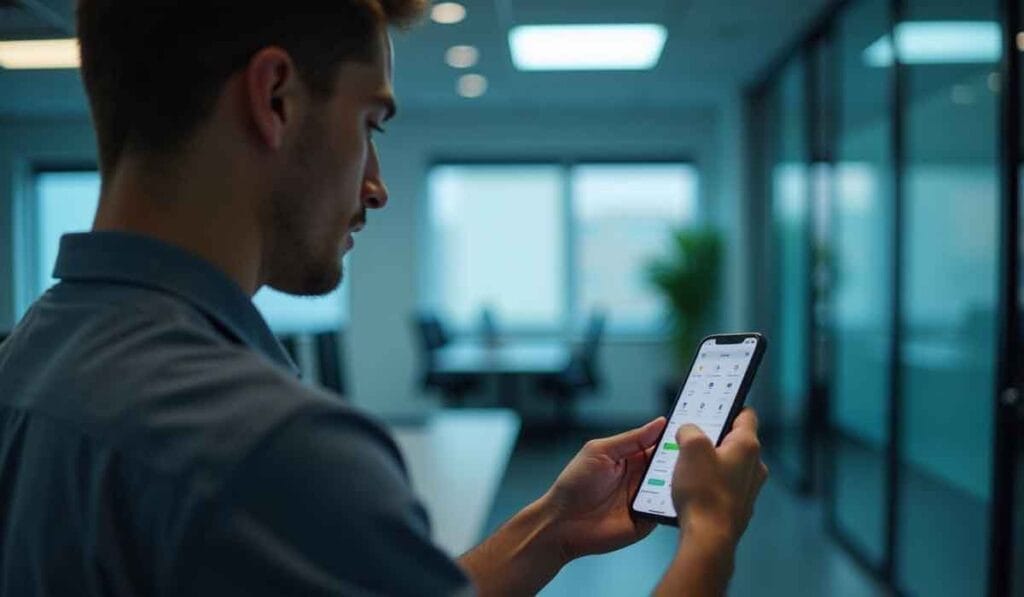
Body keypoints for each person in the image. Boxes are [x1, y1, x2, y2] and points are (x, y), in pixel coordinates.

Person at [0, 1, 768, 595]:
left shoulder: (27, 354)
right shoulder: (273, 447)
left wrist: (553, 527)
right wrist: (709, 534)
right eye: (370, 123)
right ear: (274, 98)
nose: (376, 183)